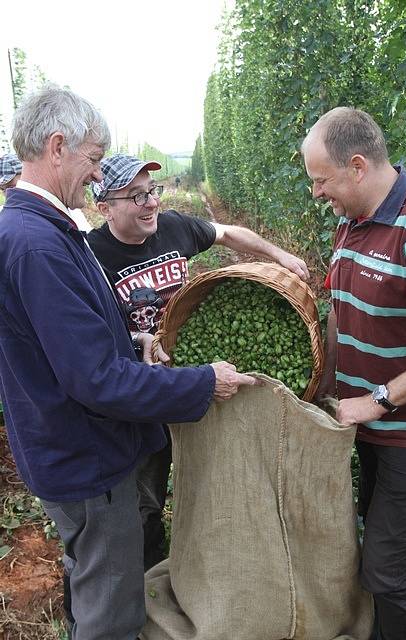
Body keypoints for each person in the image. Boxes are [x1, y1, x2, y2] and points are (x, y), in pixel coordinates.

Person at [0, 85, 258, 640]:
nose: (97, 178)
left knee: (92, 580)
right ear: (57, 146)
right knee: (111, 612)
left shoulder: (41, 229)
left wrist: (130, 343)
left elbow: (75, 343)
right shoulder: (38, 244)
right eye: (94, 161)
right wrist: (202, 383)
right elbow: (94, 380)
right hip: (87, 459)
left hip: (69, 448)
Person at [88, 153, 310, 570]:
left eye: (152, 191)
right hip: (142, 392)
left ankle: (210, 563)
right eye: (135, 197)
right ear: (105, 208)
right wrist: (139, 339)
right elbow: (93, 335)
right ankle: (149, 576)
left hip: (197, 380)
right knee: (145, 494)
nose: (151, 203)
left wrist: (279, 255)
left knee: (210, 480)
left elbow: (229, 233)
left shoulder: (174, 227)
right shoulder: (92, 257)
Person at [301, 106, 406, 640]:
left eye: (320, 180)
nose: (316, 193)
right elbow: (339, 311)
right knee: (364, 550)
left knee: (386, 571)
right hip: (363, 428)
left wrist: (377, 399)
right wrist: (322, 384)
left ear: (357, 166)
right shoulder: (350, 224)